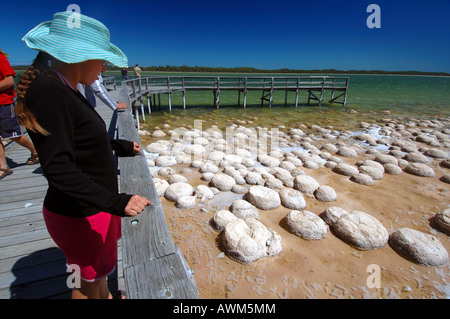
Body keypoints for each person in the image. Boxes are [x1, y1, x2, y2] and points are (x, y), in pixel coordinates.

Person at [15, 11, 150, 299]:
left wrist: (120, 146)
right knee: (87, 286)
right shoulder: (51, 93)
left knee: (98, 280)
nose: (103, 66)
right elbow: (58, 166)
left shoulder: (64, 87)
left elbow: (77, 140)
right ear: (79, 56)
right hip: (81, 213)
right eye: (101, 58)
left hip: (89, 208)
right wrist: (116, 202)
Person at [0, 49, 39, 180]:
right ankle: (3, 167)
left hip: (3, 104)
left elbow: (10, 81)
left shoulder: (0, 58)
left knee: (13, 134)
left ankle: (35, 152)